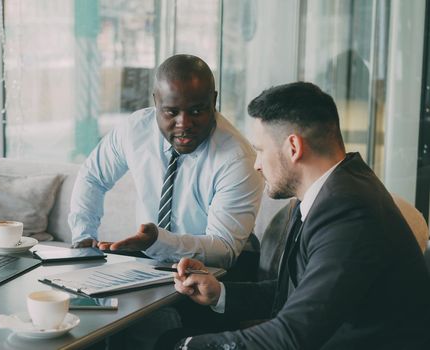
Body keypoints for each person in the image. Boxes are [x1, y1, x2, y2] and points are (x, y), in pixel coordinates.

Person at [160, 82, 430, 349]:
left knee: (170, 341)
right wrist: (219, 293)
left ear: (293, 147)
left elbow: (291, 336)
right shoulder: (332, 193)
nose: (257, 164)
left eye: (261, 150)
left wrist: (186, 347)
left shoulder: (349, 212)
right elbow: (297, 295)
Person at [69, 54, 263, 269]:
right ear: (156, 102)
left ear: (213, 100)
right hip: (150, 259)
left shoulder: (237, 159)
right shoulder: (135, 130)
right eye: (171, 112)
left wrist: (158, 242)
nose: (184, 124)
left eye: (196, 111)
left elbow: (223, 250)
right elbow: (93, 176)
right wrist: (83, 238)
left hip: (217, 273)